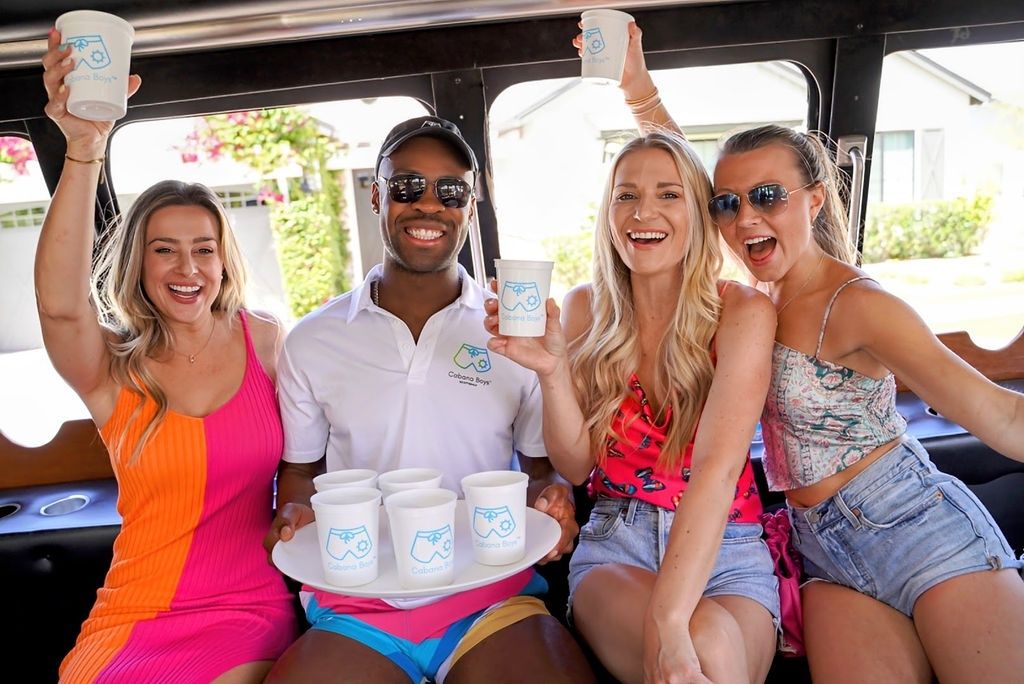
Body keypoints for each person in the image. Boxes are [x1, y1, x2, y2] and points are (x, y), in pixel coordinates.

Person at [612, 21, 1024, 683]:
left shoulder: (860, 304)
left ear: (815, 197)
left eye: (769, 197)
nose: (745, 218)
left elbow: (1001, 417)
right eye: (729, 203)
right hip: (825, 556)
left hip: (915, 525)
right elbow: (685, 180)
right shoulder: (753, 290)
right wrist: (637, 89)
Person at [262, 115, 595, 684]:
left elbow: (541, 472)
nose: (429, 205)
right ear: (377, 195)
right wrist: (292, 516)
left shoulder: (514, 334)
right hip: (355, 604)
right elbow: (300, 473)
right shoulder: (314, 340)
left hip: (492, 597)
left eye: (451, 191)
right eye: (408, 186)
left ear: (470, 205)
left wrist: (555, 504)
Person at [38, 28, 297, 684]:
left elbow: (319, 456)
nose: (187, 268)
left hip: (248, 607)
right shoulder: (108, 365)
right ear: (138, 262)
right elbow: (62, 308)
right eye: (163, 249)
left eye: (203, 248)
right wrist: (83, 149)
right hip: (133, 611)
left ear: (223, 259)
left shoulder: (265, 341)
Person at [485, 128, 781, 683]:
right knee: (710, 646)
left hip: (726, 546)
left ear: (697, 210)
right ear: (609, 212)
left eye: (668, 194)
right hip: (618, 543)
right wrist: (551, 370)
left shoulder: (743, 311)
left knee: (708, 646)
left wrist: (668, 623)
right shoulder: (583, 308)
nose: (644, 211)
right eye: (627, 194)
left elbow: (716, 473)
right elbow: (574, 466)